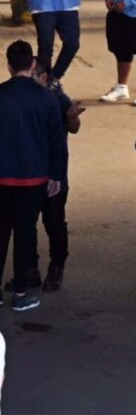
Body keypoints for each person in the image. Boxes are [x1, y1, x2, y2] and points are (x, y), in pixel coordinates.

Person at [0, 41, 63, 312]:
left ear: (9, 65)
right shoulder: (46, 98)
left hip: (2, 178)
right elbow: (56, 142)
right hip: (34, 179)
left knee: (0, 234)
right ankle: (21, 292)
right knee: (25, 235)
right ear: (33, 64)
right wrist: (55, 175)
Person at [29, 62, 83, 293]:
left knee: (54, 222)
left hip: (54, 172)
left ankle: (56, 266)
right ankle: (30, 269)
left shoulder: (58, 98)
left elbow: (74, 127)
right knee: (26, 225)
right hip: (28, 173)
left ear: (44, 77)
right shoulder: (23, 98)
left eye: (34, 75)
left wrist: (71, 116)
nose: (29, 79)